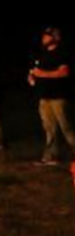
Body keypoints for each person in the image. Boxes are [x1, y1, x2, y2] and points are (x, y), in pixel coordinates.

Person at [28, 27, 74, 165]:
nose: (44, 38)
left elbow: (64, 72)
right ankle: (52, 156)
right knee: (49, 128)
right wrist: (32, 77)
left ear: (55, 38)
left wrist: (42, 74)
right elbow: (36, 71)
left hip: (58, 96)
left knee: (66, 126)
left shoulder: (62, 53)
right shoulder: (42, 54)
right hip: (44, 96)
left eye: (47, 36)